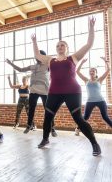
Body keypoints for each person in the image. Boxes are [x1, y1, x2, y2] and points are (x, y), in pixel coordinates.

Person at [33, 17, 101, 156]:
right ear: (56, 48)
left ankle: (95, 143)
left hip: (72, 92)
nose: (60, 47)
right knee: (47, 117)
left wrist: (91, 27)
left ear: (67, 48)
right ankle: (45, 139)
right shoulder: (50, 60)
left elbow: (88, 44)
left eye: (62, 45)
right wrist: (34, 42)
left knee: (79, 119)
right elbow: (37, 55)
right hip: (54, 92)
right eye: (58, 45)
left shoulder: (73, 58)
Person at [6, 51, 57, 136]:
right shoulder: (33, 67)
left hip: (44, 91)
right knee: (31, 109)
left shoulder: (48, 66)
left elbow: (54, 63)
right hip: (33, 91)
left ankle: (52, 128)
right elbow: (20, 69)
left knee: (48, 109)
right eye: (36, 56)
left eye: (39, 56)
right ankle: (29, 125)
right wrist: (11, 63)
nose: (37, 58)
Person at [75, 57, 112, 136]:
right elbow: (77, 72)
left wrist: (106, 61)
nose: (92, 72)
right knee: (85, 117)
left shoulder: (99, 80)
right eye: (90, 71)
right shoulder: (86, 80)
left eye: (93, 71)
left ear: (96, 72)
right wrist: (82, 63)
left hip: (100, 100)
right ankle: (77, 129)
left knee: (105, 117)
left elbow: (108, 70)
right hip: (90, 101)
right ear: (89, 73)